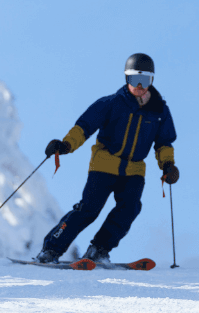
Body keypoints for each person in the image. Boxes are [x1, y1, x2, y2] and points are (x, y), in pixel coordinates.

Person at [35, 53, 178, 268]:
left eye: (145, 80)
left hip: (134, 170)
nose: (139, 86)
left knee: (130, 208)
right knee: (88, 210)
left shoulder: (159, 112)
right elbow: (84, 127)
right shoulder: (111, 103)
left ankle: (99, 249)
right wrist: (66, 145)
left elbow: (164, 143)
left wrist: (167, 165)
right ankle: (50, 250)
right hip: (104, 164)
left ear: (152, 81)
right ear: (126, 79)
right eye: (133, 80)